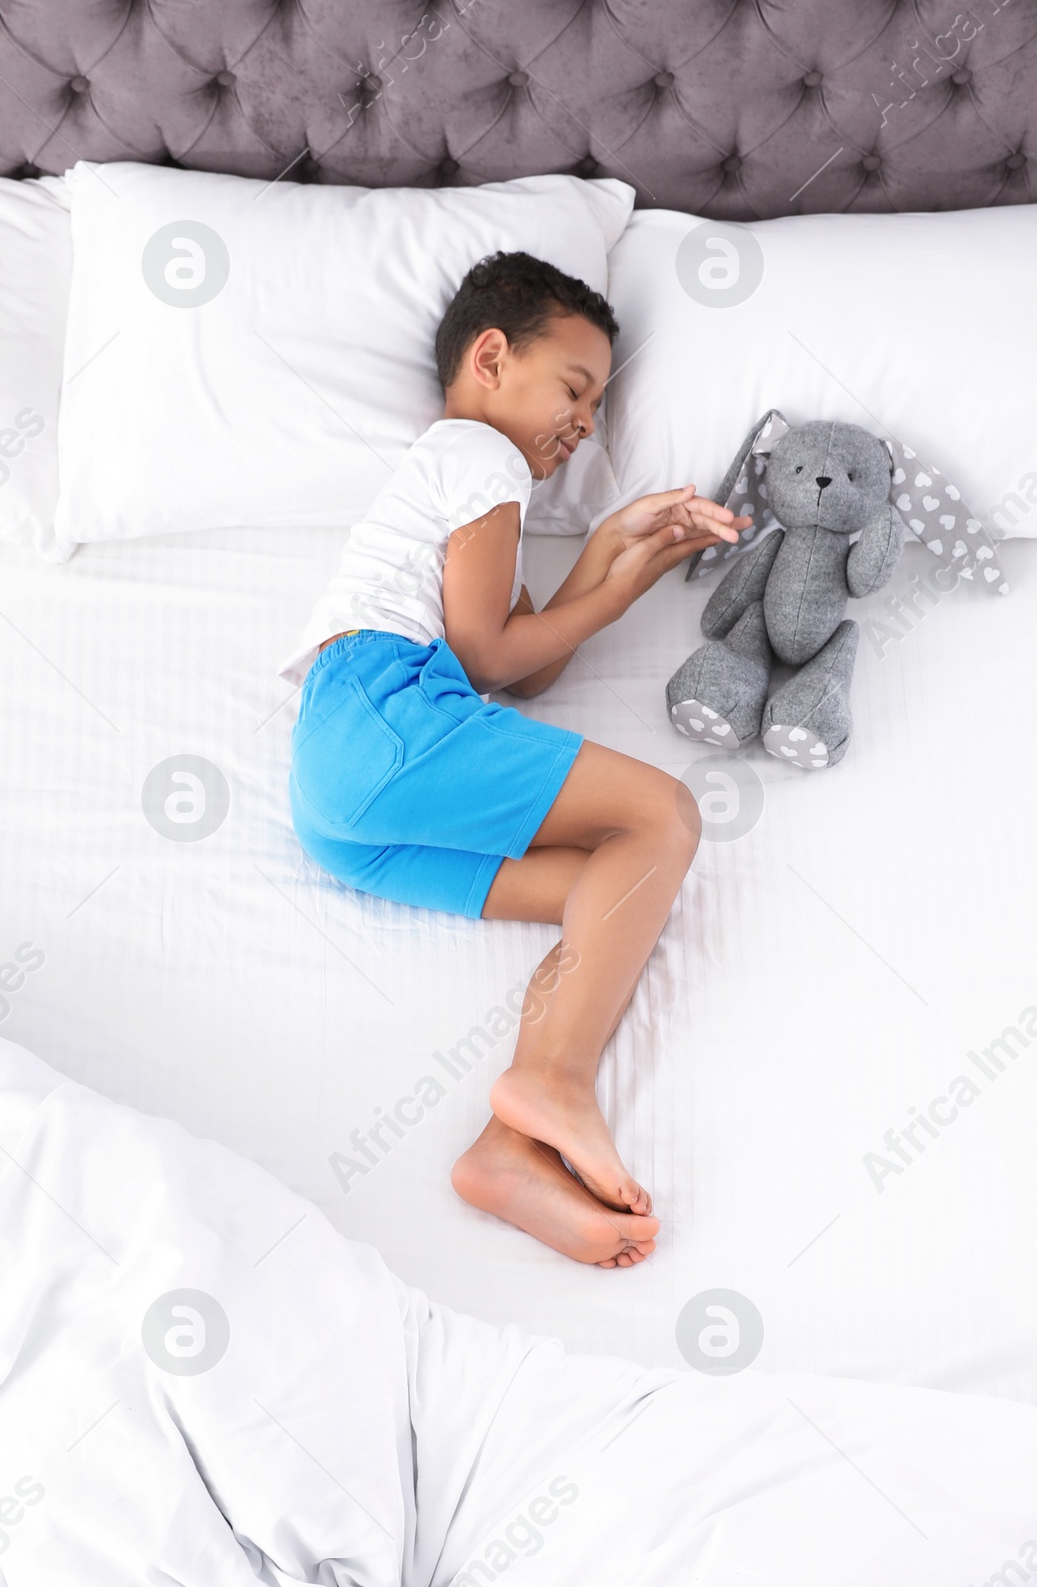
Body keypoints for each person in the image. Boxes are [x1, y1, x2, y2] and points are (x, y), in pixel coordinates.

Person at [280, 251, 744, 1266]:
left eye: (596, 408)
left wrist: (609, 552)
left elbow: (518, 673)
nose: (583, 425)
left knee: (613, 895)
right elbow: (489, 653)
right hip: (385, 711)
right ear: (490, 357)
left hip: (343, 800)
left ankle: (506, 1150)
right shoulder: (476, 457)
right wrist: (618, 595)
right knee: (663, 817)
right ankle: (557, 1086)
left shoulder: (460, 483)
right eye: (573, 390)